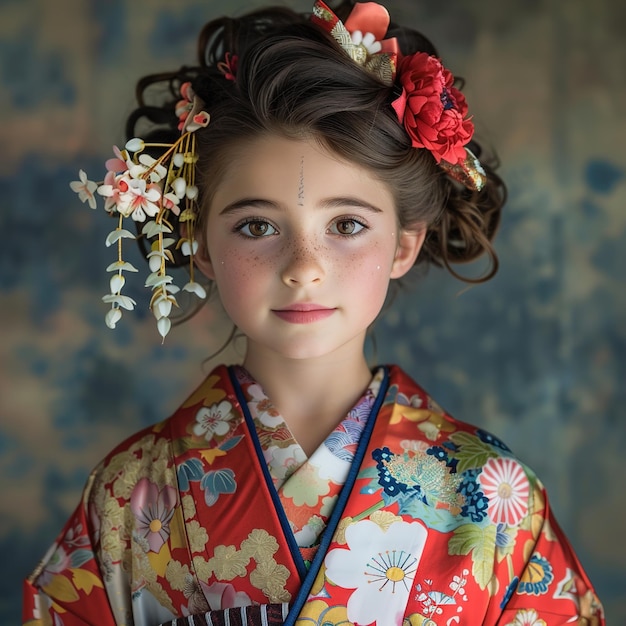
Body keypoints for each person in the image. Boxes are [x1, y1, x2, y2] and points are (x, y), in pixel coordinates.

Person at [23, 1, 604, 625]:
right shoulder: (129, 496)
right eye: (256, 225)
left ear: (404, 243)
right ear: (203, 245)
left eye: (347, 224)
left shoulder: (490, 496)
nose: (304, 266)